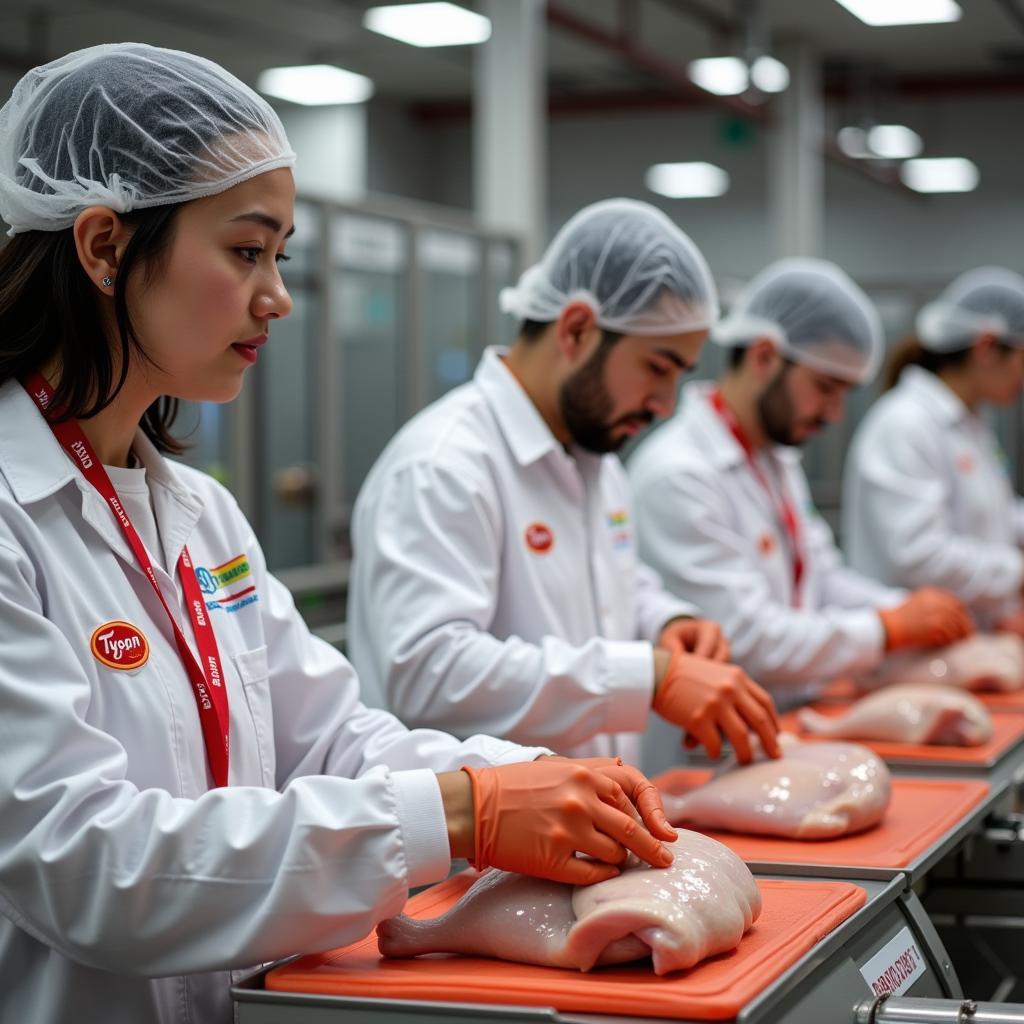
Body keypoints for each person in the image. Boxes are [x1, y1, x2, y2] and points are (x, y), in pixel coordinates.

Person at [0, 44, 677, 1024]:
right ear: (104, 246)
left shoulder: (199, 510)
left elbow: (329, 736)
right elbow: (86, 862)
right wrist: (462, 814)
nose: (277, 295)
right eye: (246, 251)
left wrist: (517, 776)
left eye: (281, 257)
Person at [347, 199, 781, 770]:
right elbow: (430, 672)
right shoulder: (444, 464)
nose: (665, 404)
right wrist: (645, 678)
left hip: (589, 832)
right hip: (471, 853)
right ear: (576, 329)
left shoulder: (595, 460)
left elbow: (611, 585)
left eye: (680, 376)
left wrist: (667, 624)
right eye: (657, 367)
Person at [628, 259, 974, 706]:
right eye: (825, 387)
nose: (833, 415)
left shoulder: (776, 461)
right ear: (764, 355)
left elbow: (822, 578)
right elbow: (746, 637)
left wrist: (905, 609)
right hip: (700, 754)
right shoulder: (678, 473)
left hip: (790, 716)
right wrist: (887, 628)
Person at [843, 268, 1024, 634]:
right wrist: (1016, 573)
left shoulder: (973, 426)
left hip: (968, 639)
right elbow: (918, 554)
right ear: (987, 346)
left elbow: (999, 517)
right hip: (913, 648)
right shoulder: (905, 423)